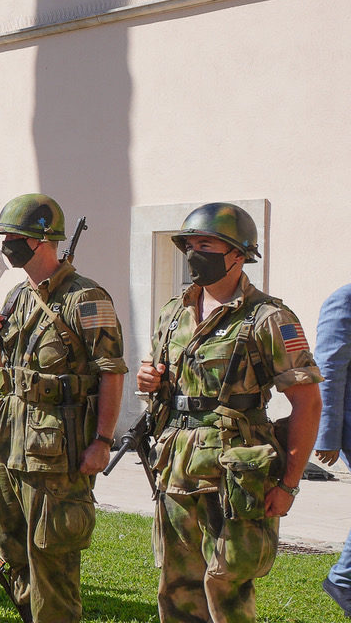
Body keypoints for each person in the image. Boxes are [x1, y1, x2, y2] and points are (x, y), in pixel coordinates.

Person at [135, 202, 322, 623]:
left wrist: (289, 484)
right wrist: (150, 383)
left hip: (235, 473)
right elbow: (165, 387)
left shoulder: (269, 319)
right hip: (176, 468)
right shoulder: (172, 313)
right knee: (176, 584)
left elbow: (308, 403)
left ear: (239, 254)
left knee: (226, 584)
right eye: (188, 245)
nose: (193, 253)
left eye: (206, 244)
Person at [0, 194, 125, 622]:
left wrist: (102, 441)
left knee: (52, 559)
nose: (5, 243)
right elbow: (13, 376)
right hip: (11, 447)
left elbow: (111, 372)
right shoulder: (17, 296)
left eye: (12, 236)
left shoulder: (87, 298)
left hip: (56, 455)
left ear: (42, 239)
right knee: (11, 547)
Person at [311, 284, 351, 616]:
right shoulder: (344, 299)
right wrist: (326, 436)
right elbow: (328, 368)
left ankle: (344, 578)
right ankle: (344, 579)